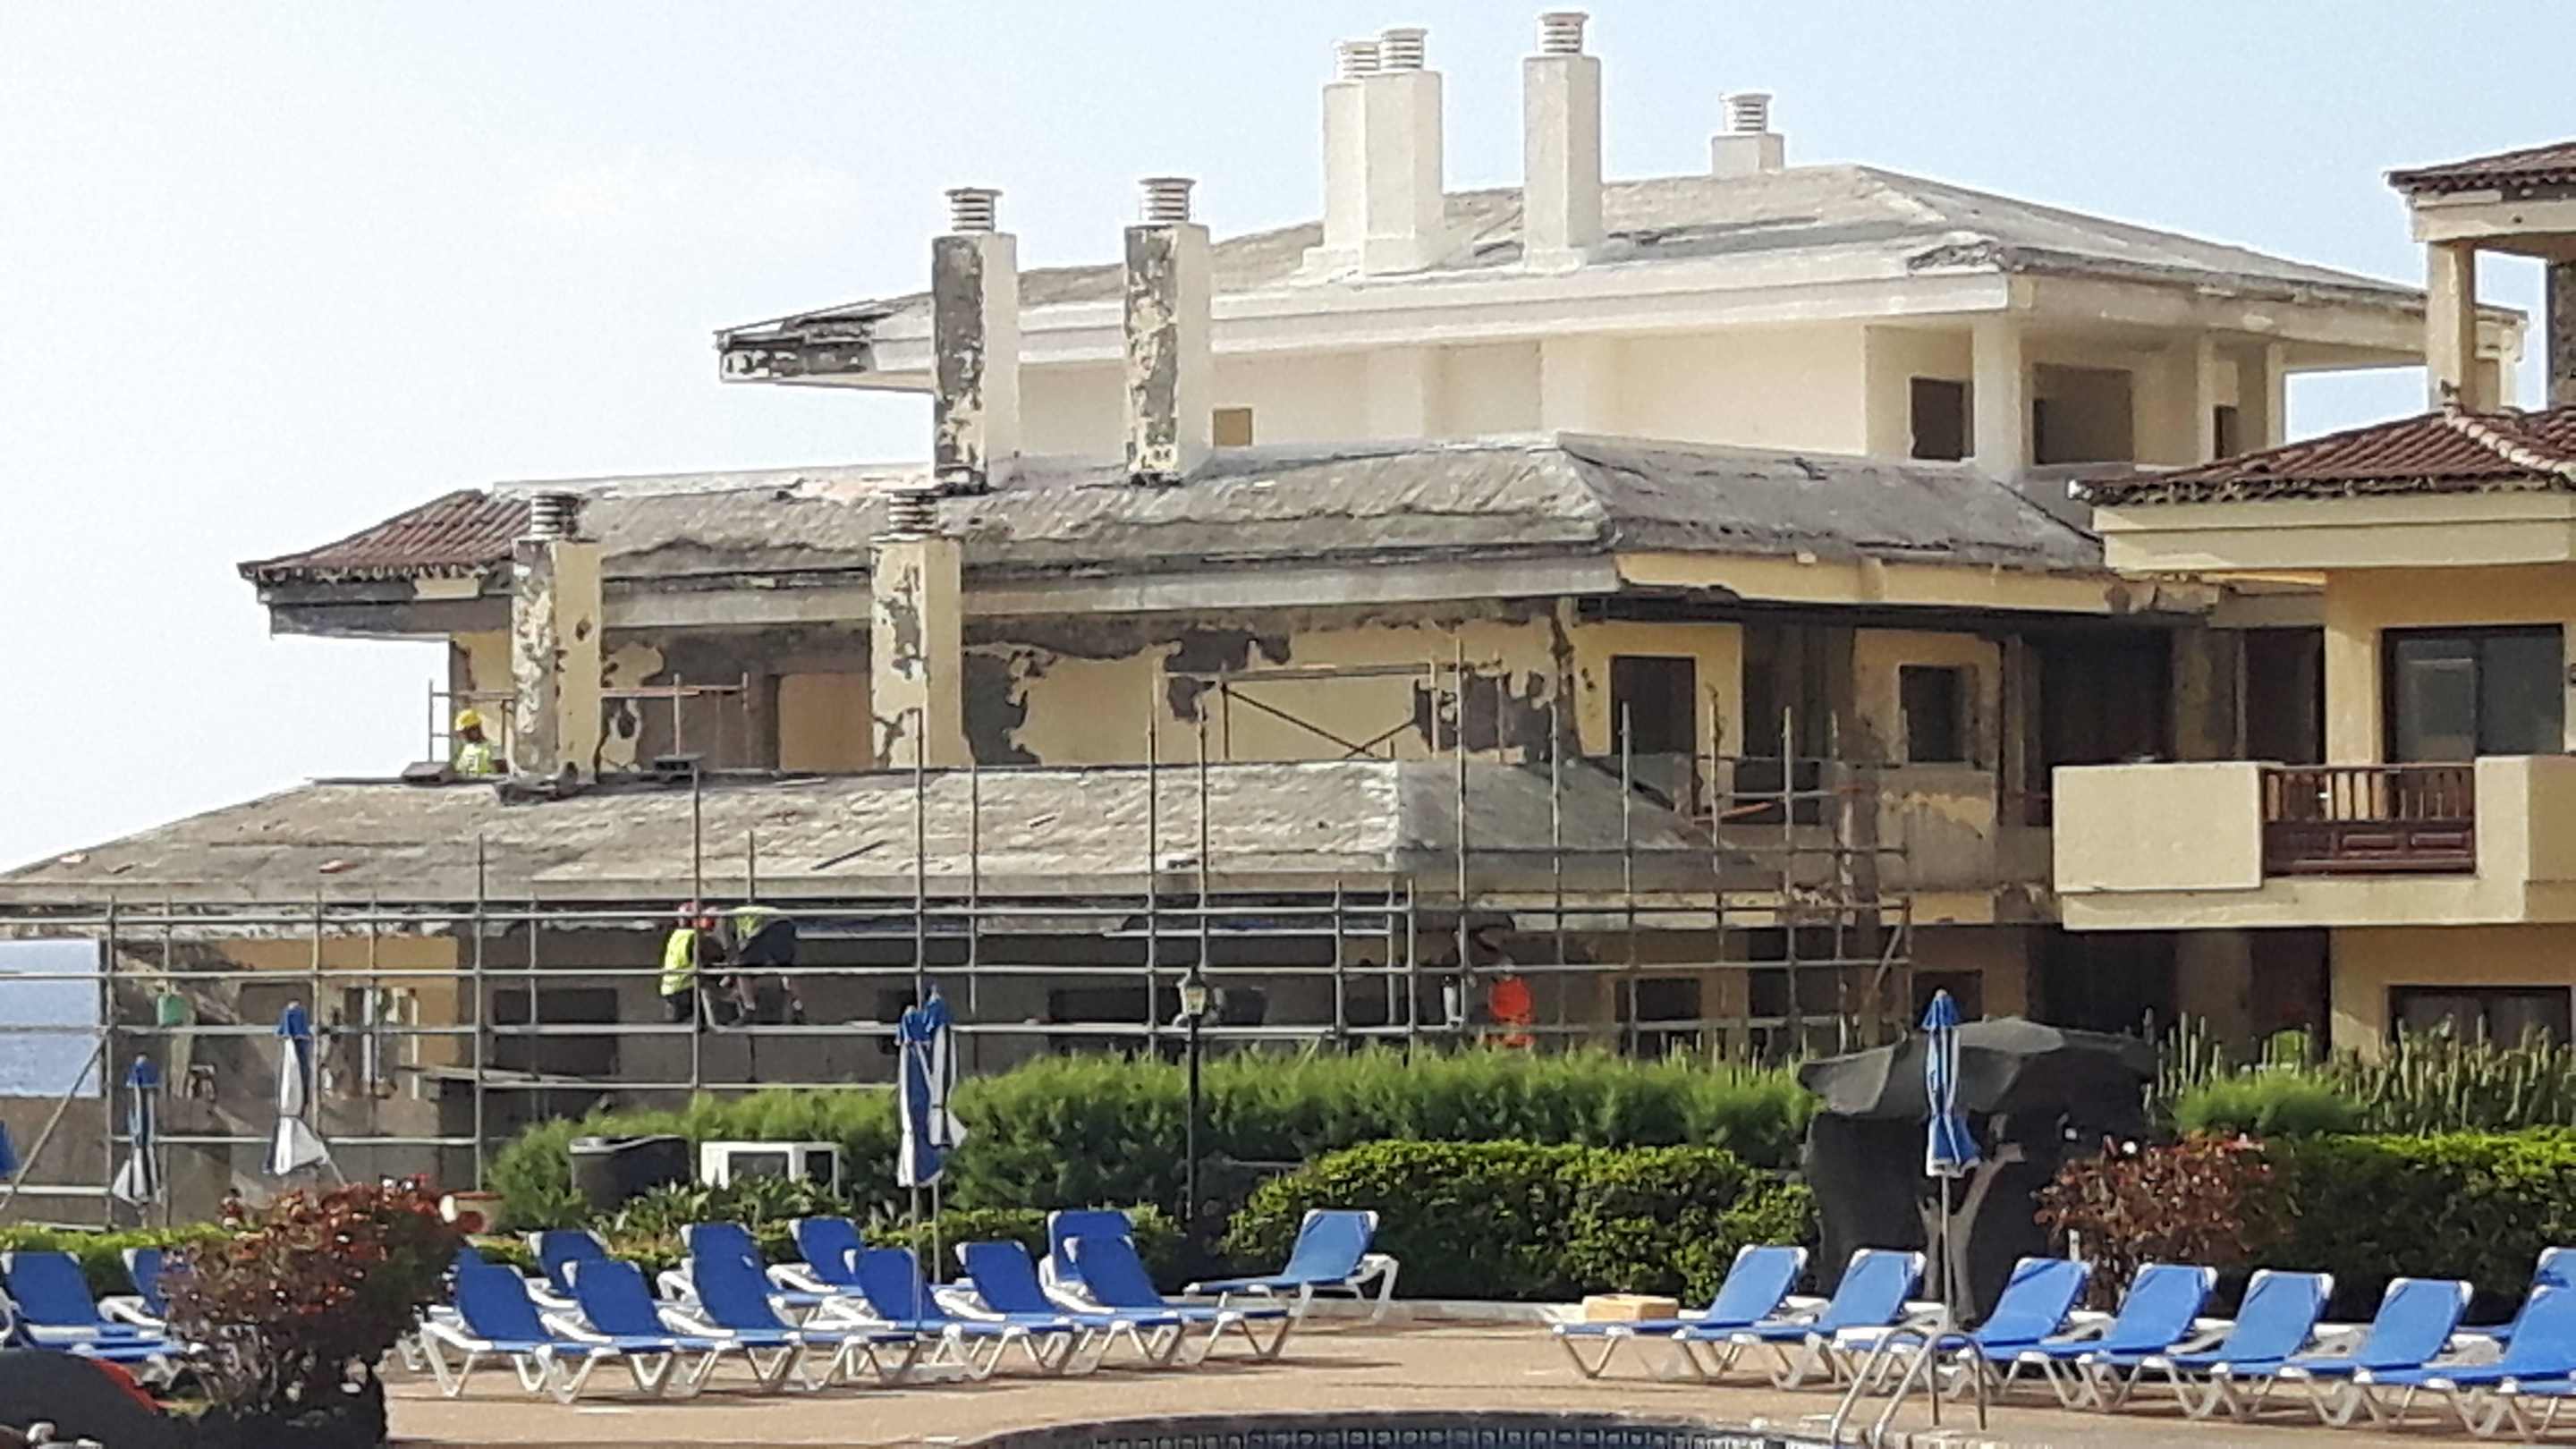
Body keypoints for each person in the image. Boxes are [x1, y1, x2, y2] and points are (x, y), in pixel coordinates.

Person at [659, 902, 714, 1030]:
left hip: (670, 987)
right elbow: (700, 959)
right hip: (684, 988)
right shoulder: (693, 936)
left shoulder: (677, 935)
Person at [451, 709, 502, 776]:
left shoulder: (488, 747)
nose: (463, 736)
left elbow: (494, 770)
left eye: (465, 732)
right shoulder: (464, 748)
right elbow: (458, 767)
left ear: (476, 729)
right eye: (462, 733)